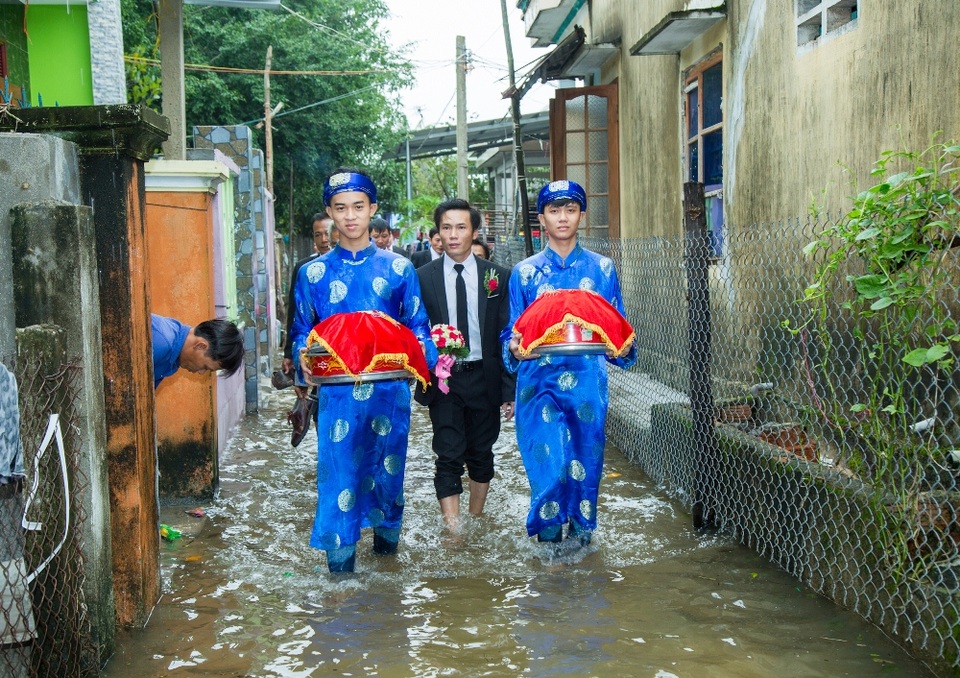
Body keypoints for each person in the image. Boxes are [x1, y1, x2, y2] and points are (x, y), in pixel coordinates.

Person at [290, 168, 437, 573]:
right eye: (340, 208)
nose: (350, 216)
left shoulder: (399, 269)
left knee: (388, 480)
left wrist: (427, 361)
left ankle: (387, 570)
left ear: (372, 209)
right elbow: (301, 331)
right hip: (337, 394)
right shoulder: (311, 274)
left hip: (390, 394)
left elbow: (417, 324)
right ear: (329, 212)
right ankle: (341, 581)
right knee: (339, 479)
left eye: (358, 207)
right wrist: (303, 359)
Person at [501, 180, 636, 548]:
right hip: (537, 384)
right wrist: (512, 348)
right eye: (554, 210)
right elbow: (510, 333)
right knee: (548, 469)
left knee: (584, 467)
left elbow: (618, 326)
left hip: (588, 383)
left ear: (581, 215)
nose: (563, 218)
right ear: (541, 218)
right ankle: (547, 559)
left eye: (570, 210)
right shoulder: (524, 273)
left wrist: (622, 349)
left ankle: (581, 556)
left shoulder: (603, 269)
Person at [415, 199, 515, 530]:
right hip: (443, 378)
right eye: (446, 227)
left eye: (461, 227)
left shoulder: (498, 278)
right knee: (447, 452)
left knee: (482, 453)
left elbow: (506, 335)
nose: (454, 235)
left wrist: (509, 389)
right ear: (438, 233)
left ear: (474, 231)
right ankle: (454, 530)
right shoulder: (422, 278)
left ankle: (476, 517)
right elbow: (414, 329)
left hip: (484, 377)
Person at [282, 214, 335, 379]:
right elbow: (294, 313)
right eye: (317, 235)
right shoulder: (304, 269)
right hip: (313, 348)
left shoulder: (349, 268)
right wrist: (290, 353)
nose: (323, 239)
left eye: (327, 233)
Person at [151, 314, 244, 388]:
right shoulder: (161, 343)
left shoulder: (176, 356)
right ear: (200, 346)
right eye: (205, 367)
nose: (201, 372)